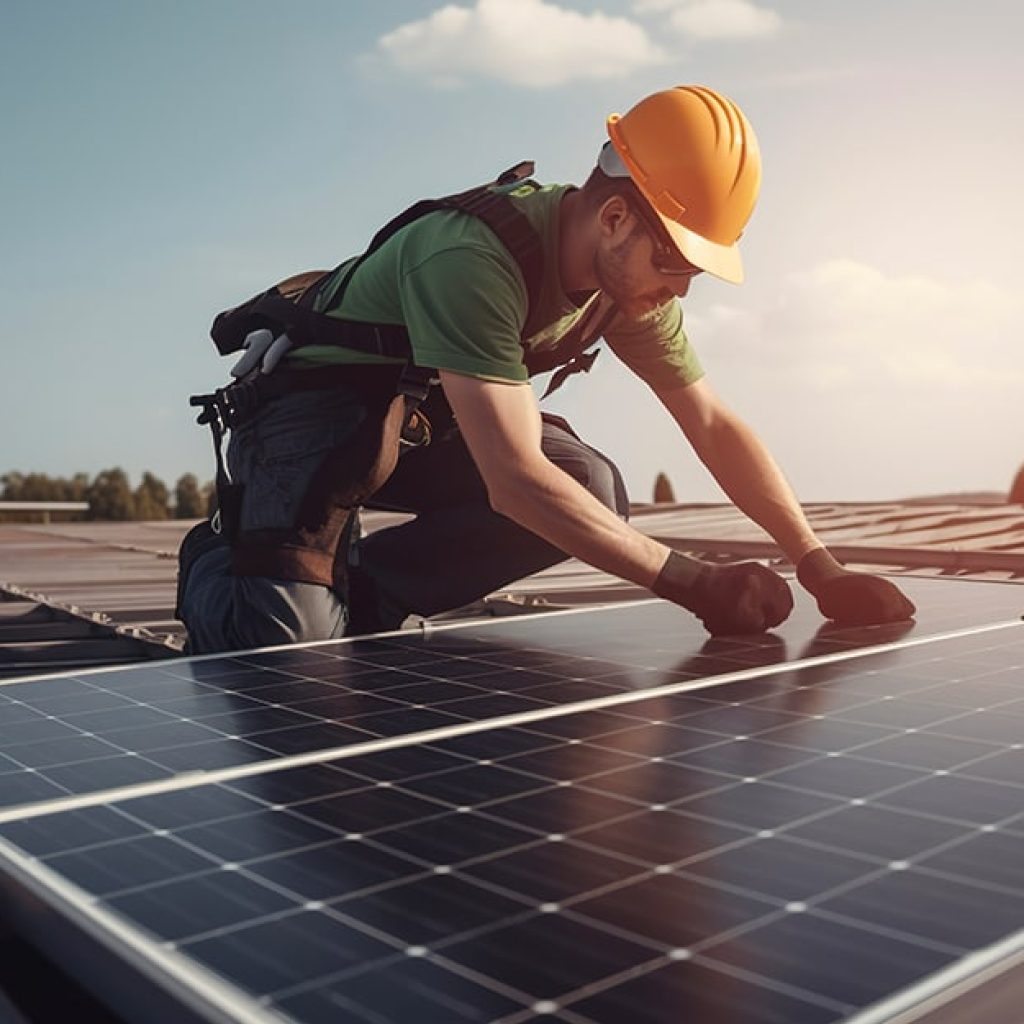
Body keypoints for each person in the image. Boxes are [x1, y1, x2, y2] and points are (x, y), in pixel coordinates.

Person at [177, 84, 914, 654]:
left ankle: (361, 597)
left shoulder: (626, 286)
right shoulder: (471, 258)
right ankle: (216, 558)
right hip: (312, 417)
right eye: (676, 261)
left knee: (591, 488)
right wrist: (695, 584)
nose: (683, 287)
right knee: (282, 659)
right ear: (617, 219)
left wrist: (820, 566)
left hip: (422, 419)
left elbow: (713, 423)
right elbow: (515, 480)